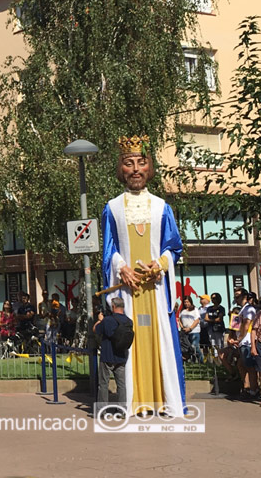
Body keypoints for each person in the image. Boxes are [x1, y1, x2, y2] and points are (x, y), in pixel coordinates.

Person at [101, 135, 185, 412]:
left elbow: (174, 247)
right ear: (120, 169)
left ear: (149, 168)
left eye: (141, 162)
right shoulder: (111, 208)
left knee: (159, 338)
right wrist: (121, 268)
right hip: (127, 290)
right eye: (129, 163)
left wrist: (161, 263)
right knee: (130, 341)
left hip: (156, 290)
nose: (135, 169)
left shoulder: (163, 207)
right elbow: (108, 249)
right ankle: (133, 401)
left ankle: (165, 400)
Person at [94, 298, 133, 408]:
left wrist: (100, 320)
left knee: (103, 384)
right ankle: (122, 410)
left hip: (107, 356)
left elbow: (95, 330)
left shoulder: (108, 320)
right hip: (121, 356)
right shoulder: (129, 321)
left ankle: (102, 410)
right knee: (121, 385)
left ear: (113, 306)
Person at [230, 288, 258, 398]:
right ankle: (247, 387)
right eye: (235, 297)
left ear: (244, 297)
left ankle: (253, 390)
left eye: (237, 297)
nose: (235, 299)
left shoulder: (249, 309)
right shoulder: (242, 310)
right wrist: (233, 337)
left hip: (247, 341)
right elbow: (235, 326)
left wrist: (239, 338)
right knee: (241, 364)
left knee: (250, 367)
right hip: (242, 342)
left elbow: (246, 325)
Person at [178, 296, 203, 363]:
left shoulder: (195, 310)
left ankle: (201, 361)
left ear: (190, 302)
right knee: (188, 348)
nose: (186, 303)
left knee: (194, 346)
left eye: (187, 302)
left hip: (194, 331)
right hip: (185, 332)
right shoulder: (182, 311)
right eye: (185, 302)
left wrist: (190, 328)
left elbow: (197, 320)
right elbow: (179, 319)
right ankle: (192, 361)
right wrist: (182, 327)